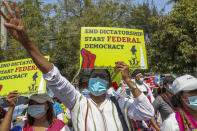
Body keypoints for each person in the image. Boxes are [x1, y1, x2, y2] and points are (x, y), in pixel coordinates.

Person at [0, 1, 154, 131]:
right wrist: (26, 42)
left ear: (108, 83)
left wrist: (129, 82)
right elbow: (53, 76)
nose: (99, 79)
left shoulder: (120, 103)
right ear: (88, 82)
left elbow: (147, 113)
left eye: (103, 77)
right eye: (95, 76)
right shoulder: (77, 102)